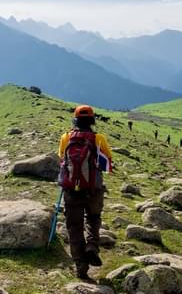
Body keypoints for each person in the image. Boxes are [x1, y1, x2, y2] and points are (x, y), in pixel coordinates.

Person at [58, 105, 113, 280]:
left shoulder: (66, 137)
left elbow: (62, 159)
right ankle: (92, 246)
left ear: (74, 119)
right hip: (93, 189)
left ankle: (80, 266)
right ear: (92, 120)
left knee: (74, 228)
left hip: (71, 190)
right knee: (93, 218)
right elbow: (108, 163)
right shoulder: (98, 138)